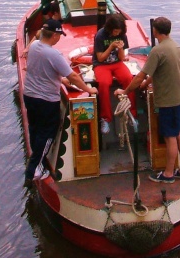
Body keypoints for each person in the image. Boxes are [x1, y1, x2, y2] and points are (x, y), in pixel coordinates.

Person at [22, 18, 97, 184]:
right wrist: (88, 89)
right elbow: (73, 76)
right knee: (48, 133)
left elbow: (41, 69)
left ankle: (34, 159)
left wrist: (60, 80)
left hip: (30, 95)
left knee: (34, 128)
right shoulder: (53, 54)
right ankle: (34, 168)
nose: (59, 38)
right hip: (46, 100)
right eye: (59, 35)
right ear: (54, 35)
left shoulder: (34, 46)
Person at [117, 17, 180, 184]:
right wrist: (146, 84)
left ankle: (169, 173)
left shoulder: (157, 51)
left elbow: (140, 76)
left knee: (170, 136)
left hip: (169, 101)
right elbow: (160, 71)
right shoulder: (177, 47)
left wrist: (127, 90)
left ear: (155, 31)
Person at [92, 13, 136, 136]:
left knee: (128, 78)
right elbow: (100, 58)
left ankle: (132, 112)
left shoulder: (122, 35)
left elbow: (121, 58)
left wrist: (121, 49)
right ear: (110, 28)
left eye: (119, 31)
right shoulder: (100, 35)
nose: (117, 34)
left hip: (116, 63)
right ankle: (105, 118)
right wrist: (111, 47)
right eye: (115, 31)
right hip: (102, 65)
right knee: (104, 83)